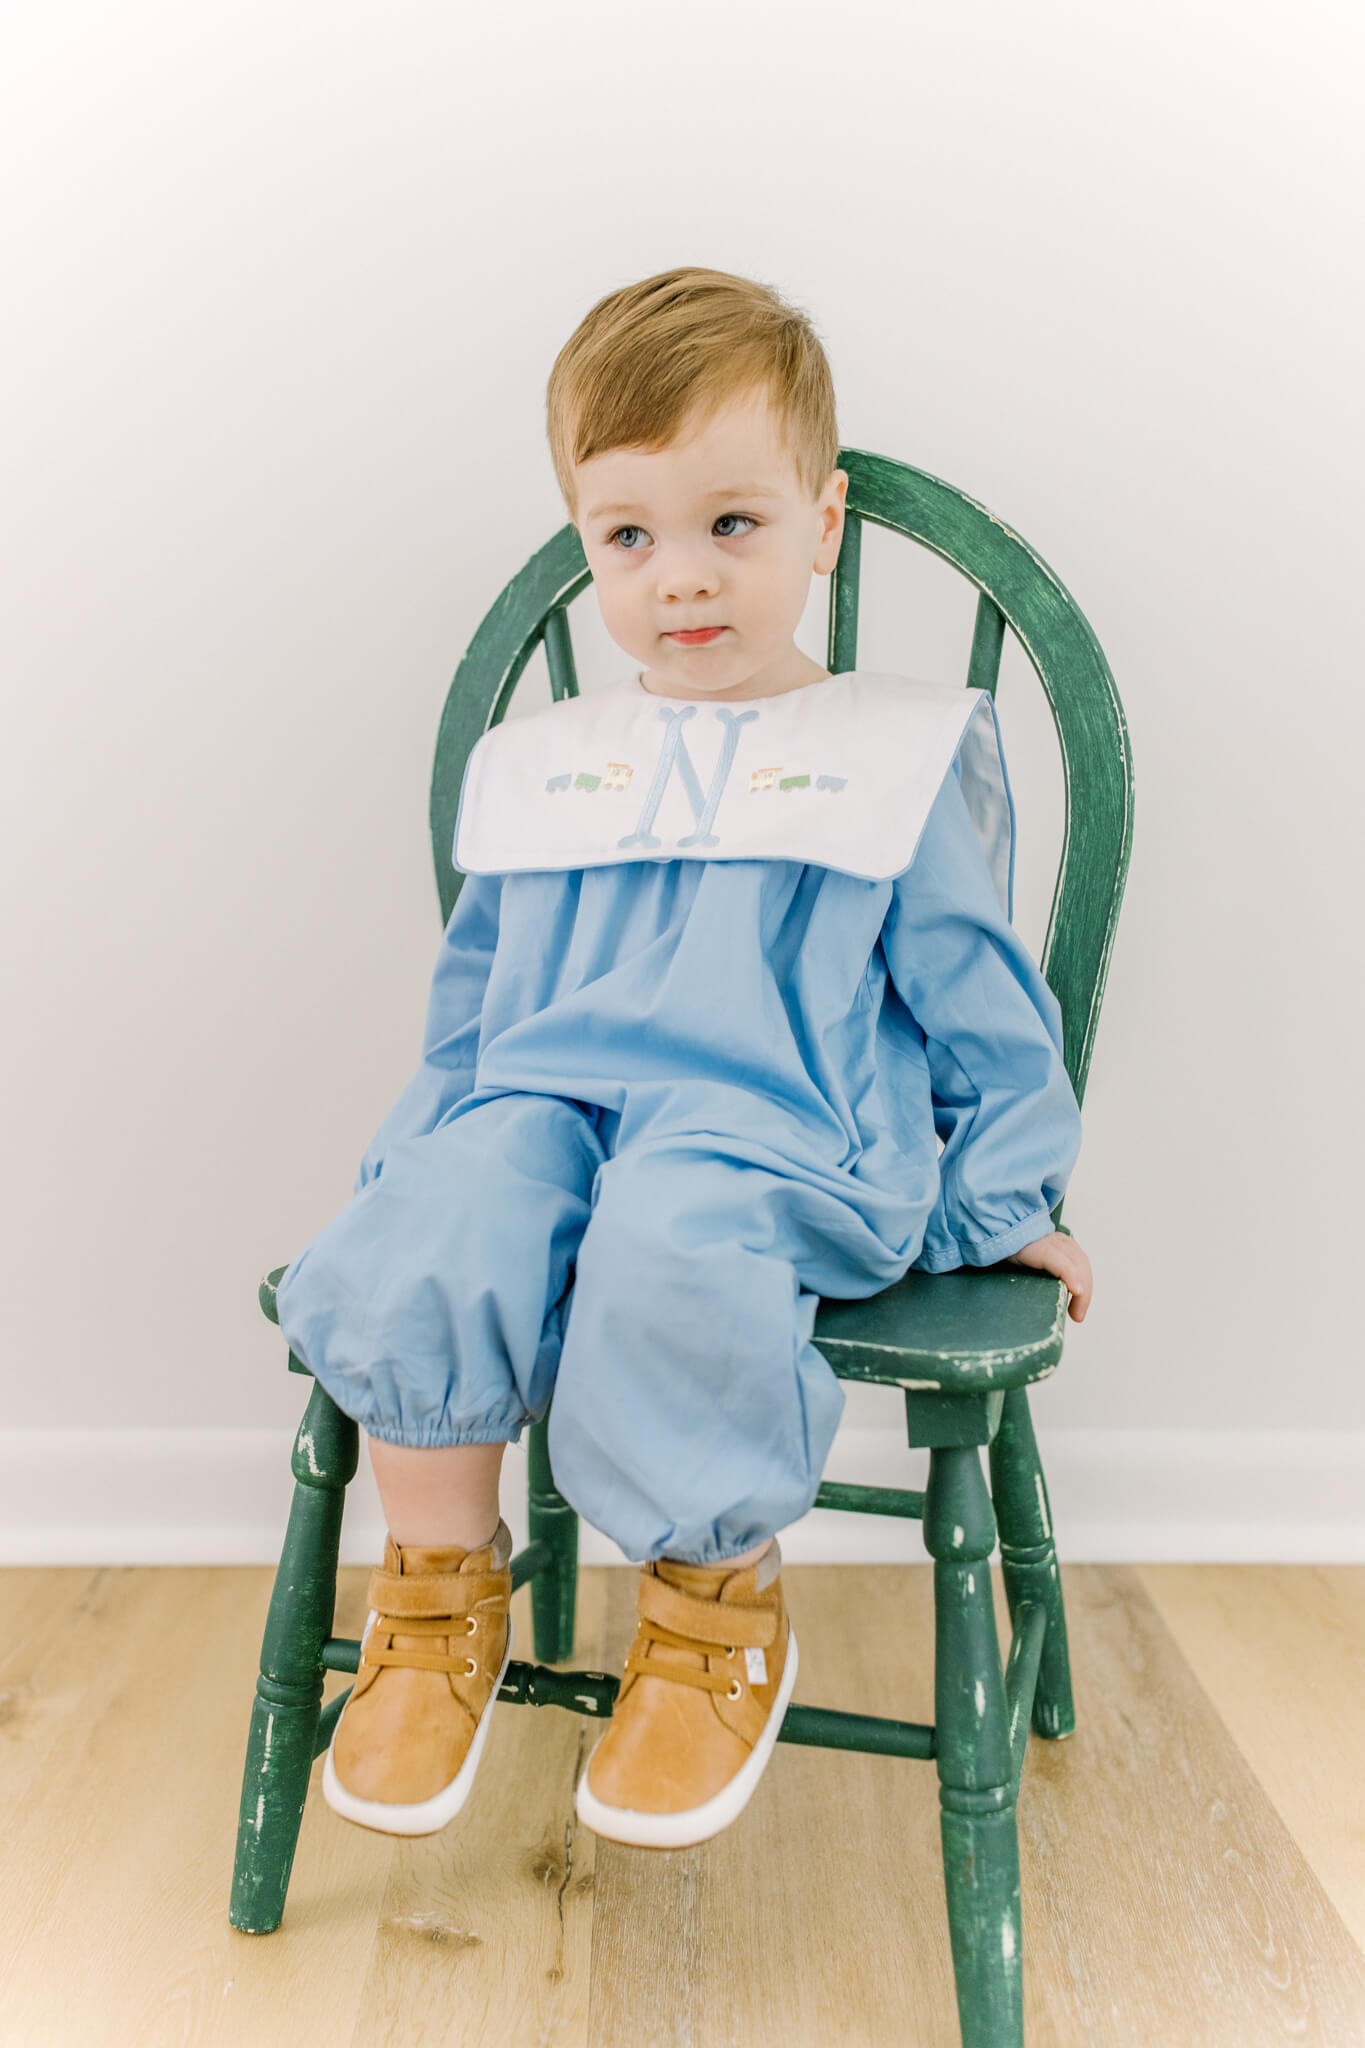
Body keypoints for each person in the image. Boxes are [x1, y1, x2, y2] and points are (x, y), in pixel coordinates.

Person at [273, 265, 1092, 1853]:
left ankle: (711, 1602)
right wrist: (416, 1157)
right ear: (585, 542)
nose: (679, 579)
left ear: (821, 521)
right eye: (626, 537)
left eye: (732, 524)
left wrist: (1010, 1193)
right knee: (444, 1227)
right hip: (547, 1101)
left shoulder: (886, 758)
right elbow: (474, 1004)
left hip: (766, 1119)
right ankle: (438, 1598)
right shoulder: (553, 771)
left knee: (673, 1235)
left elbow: (983, 998)